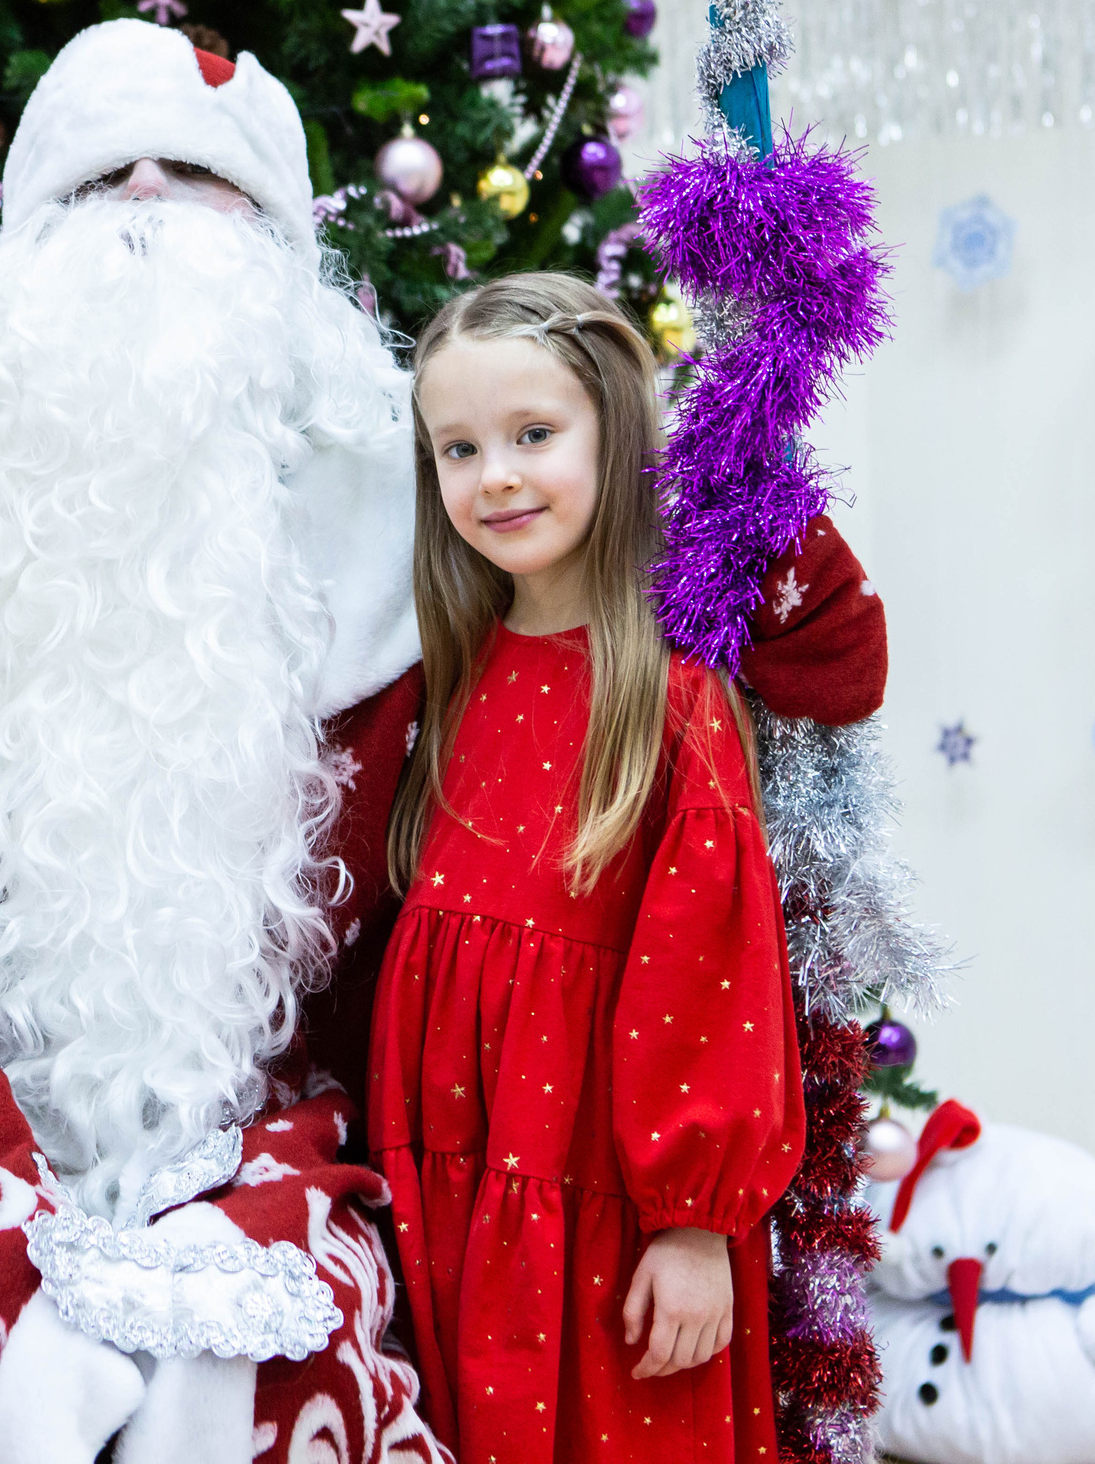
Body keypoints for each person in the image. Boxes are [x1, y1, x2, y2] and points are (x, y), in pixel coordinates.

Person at [0, 20, 440, 1464]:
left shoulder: (397, 519)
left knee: (271, 1363)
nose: (140, 200)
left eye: (194, 171)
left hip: (273, 1111)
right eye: (96, 175)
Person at [369, 273, 804, 1464]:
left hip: (603, 1202)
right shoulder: (452, 670)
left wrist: (696, 1227)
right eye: (457, 449)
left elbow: (712, 973)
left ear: (614, 430)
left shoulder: (668, 692)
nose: (494, 475)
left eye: (533, 435)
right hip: (453, 1183)